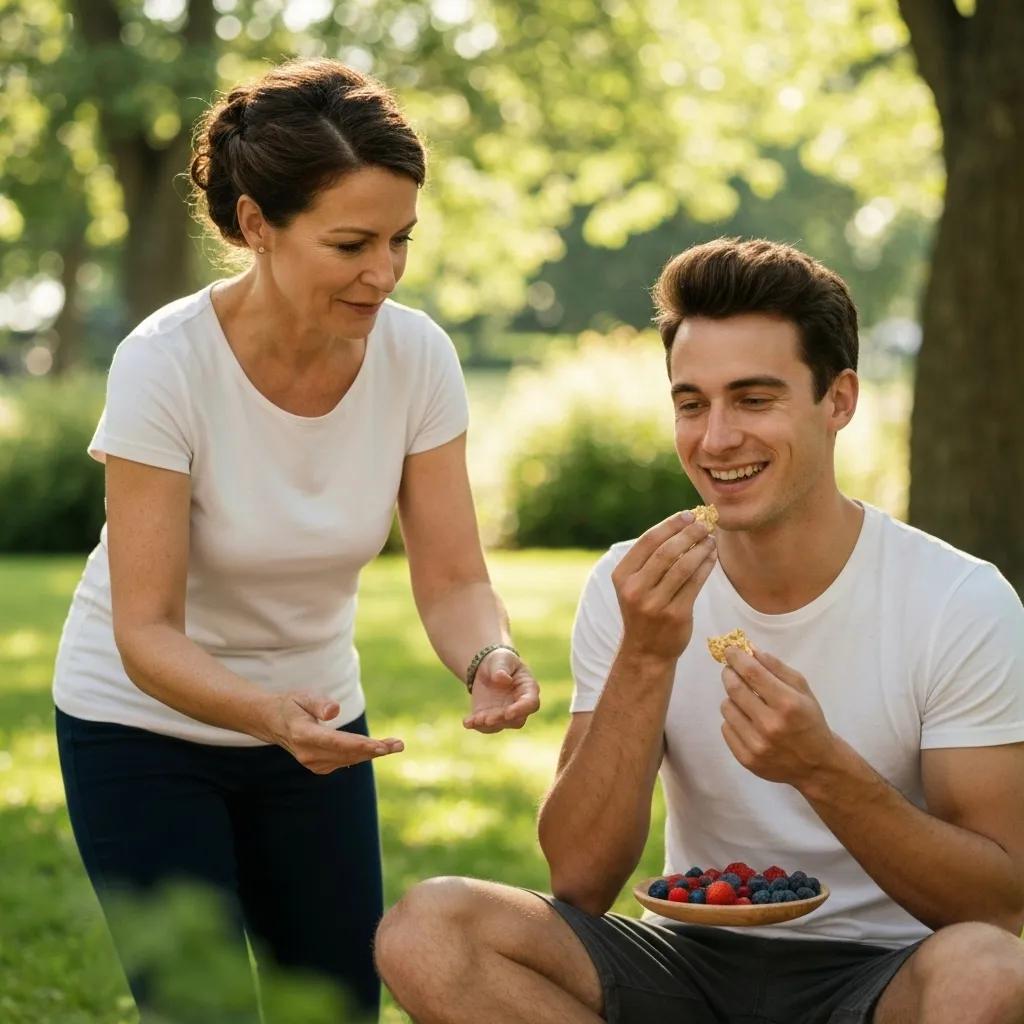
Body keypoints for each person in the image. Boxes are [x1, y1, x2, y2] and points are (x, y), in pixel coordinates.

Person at [374, 238, 1024, 1024]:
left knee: (989, 970)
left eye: (754, 400)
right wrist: (645, 656)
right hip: (687, 961)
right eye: (692, 403)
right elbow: (579, 880)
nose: (716, 440)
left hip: (883, 975)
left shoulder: (956, 601)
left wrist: (823, 771)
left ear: (839, 400)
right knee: (429, 929)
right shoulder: (635, 585)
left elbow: (1000, 903)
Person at [52, 58, 540, 1021]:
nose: (385, 273)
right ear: (255, 226)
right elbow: (144, 629)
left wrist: (489, 653)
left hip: (318, 729)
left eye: (401, 240)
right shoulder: (165, 364)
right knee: (207, 1009)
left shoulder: (418, 357)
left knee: (336, 1000)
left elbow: (450, 578)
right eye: (352, 243)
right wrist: (266, 716)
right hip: (141, 728)